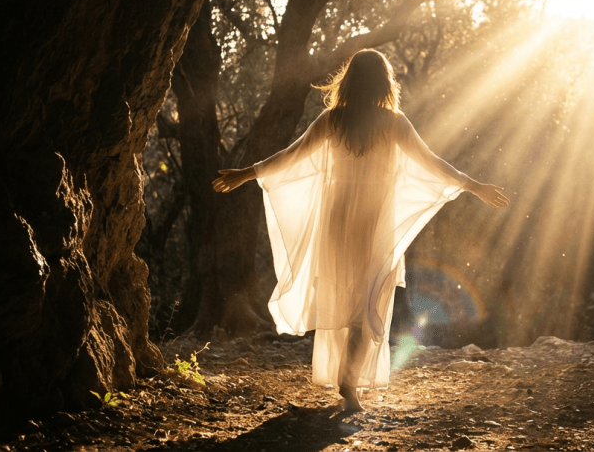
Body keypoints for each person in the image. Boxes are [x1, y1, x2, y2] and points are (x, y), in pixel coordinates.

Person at [211, 49, 508, 412]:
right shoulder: (393, 122)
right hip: (373, 224)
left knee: (346, 301)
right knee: (369, 304)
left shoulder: (332, 120)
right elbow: (432, 163)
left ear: (349, 79)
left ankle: (348, 380)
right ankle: (349, 380)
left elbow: (291, 156)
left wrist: (247, 173)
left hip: (337, 223)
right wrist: (474, 186)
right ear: (384, 81)